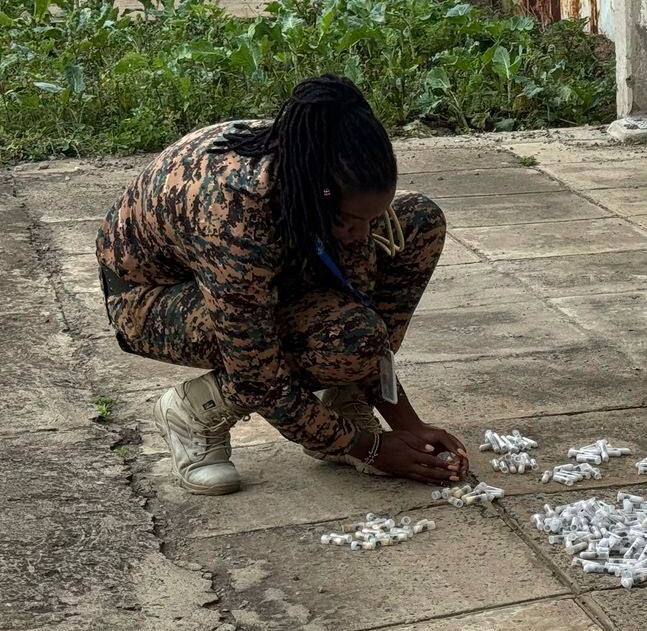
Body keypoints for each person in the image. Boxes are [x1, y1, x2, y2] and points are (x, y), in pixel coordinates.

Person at [95, 75, 468, 495]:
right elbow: (257, 371)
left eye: (370, 219)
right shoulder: (236, 217)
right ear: (319, 193)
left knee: (418, 220)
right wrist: (368, 449)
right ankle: (194, 409)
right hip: (155, 298)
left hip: (250, 263)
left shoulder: (318, 166)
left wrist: (407, 423)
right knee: (344, 340)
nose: (361, 235)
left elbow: (358, 292)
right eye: (349, 221)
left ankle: (348, 397)